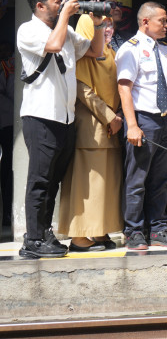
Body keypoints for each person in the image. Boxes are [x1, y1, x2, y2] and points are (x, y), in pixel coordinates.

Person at [16, 0, 105, 258]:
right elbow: (53, 46)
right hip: (40, 116)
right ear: (40, 6)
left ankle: (44, 234)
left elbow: (94, 51)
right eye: (57, 2)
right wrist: (67, 14)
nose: (62, 5)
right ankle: (31, 240)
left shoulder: (64, 29)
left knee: (54, 180)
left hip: (64, 118)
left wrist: (98, 23)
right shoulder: (27, 30)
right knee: (40, 179)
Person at [117, 1, 167, 250]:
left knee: (162, 179)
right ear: (145, 22)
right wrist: (132, 125)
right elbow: (124, 88)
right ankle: (133, 231)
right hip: (143, 119)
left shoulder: (165, 50)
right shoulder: (130, 49)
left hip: (166, 120)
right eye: (163, 21)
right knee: (137, 179)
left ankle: (158, 229)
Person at [58, 15, 123, 252]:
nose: (107, 30)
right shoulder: (83, 56)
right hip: (92, 127)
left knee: (105, 185)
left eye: (109, 25)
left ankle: (98, 230)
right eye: (101, 26)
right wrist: (109, 116)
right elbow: (82, 90)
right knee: (88, 186)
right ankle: (79, 237)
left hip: (110, 127)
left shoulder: (110, 53)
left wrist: (115, 117)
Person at [0, 41, 13, 227]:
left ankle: (7, 216)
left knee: (7, 169)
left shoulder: (9, 66)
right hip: (7, 121)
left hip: (9, 123)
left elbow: (12, 92)